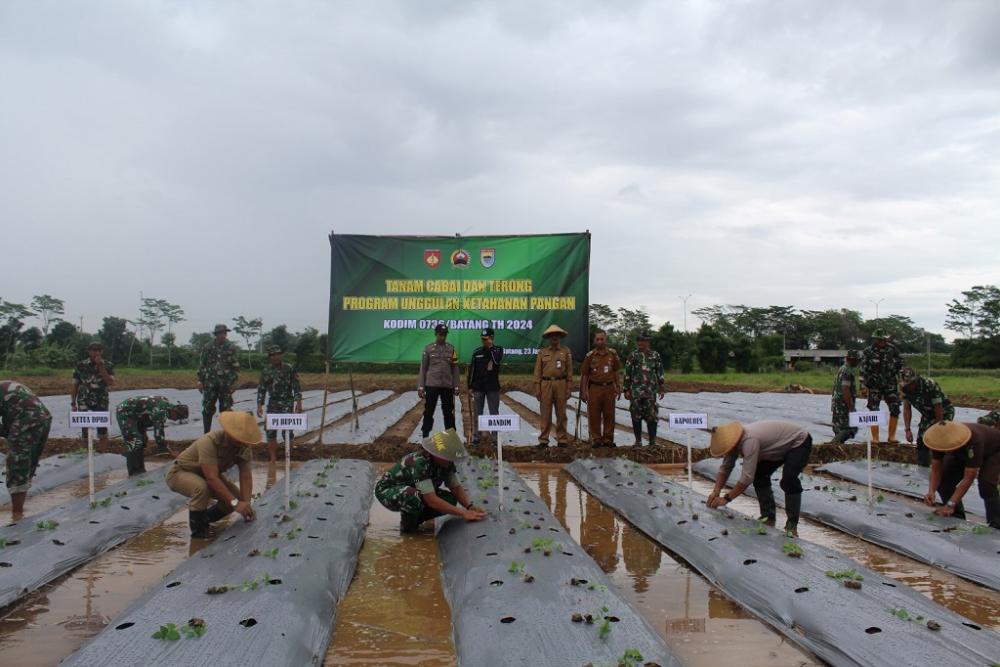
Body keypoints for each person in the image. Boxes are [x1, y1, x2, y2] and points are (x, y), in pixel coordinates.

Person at [706, 420, 812, 537]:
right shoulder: (733, 445)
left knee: (788, 480)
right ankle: (768, 517)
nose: (727, 453)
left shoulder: (749, 441)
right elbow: (725, 468)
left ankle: (792, 526)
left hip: (798, 442)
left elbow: (746, 478)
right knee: (760, 476)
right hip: (777, 448)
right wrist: (716, 491)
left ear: (733, 443)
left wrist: (726, 499)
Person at [166, 411, 258, 538]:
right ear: (229, 432)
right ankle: (198, 535)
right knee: (201, 488)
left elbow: (245, 475)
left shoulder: (244, 446)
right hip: (181, 472)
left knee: (234, 497)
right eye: (238, 437)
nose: (241, 441)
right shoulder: (209, 442)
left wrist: (246, 504)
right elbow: (212, 478)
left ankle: (203, 521)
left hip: (208, 474)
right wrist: (236, 504)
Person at [374, 429, 485, 533]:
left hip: (415, 491)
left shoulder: (445, 463)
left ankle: (417, 520)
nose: (450, 461)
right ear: (436, 454)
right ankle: (408, 530)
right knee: (413, 496)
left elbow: (455, 488)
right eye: (447, 458)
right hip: (387, 491)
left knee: (450, 499)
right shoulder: (420, 463)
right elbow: (431, 500)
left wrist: (469, 507)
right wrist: (463, 512)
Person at [923, 421, 999, 529]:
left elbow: (969, 477)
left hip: (993, 450)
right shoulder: (939, 440)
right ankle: (956, 515)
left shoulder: (974, 440)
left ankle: (996, 523)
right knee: (944, 479)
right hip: (960, 451)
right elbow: (936, 469)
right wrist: (931, 491)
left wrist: (950, 504)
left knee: (986, 483)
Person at [0, 381, 52, 516]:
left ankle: (17, 514)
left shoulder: (4, 390)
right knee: (27, 463)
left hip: (27, 419)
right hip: (43, 418)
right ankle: (19, 510)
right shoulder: (5, 387)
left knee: (18, 463)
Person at [115, 395, 189, 475]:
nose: (175, 419)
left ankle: (140, 469)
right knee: (135, 441)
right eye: (177, 417)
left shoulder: (166, 406)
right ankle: (134, 472)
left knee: (143, 440)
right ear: (174, 410)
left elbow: (146, 414)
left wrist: (144, 432)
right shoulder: (160, 411)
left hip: (138, 415)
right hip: (125, 412)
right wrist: (162, 447)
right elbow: (158, 432)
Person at [256, 345, 303, 463]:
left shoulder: (289, 368)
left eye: (278, 354)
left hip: (287, 402)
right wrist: (259, 405)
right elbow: (262, 389)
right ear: (270, 357)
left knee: (287, 430)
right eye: (273, 355)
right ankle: (273, 458)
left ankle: (289, 455)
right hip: (273, 403)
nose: (276, 357)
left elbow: (296, 387)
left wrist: (298, 402)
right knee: (270, 431)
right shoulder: (266, 371)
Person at [900, 366, 954, 467]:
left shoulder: (929, 385)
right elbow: (907, 408)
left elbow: (938, 407)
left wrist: (938, 427)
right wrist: (907, 429)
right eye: (906, 384)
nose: (908, 387)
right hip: (927, 414)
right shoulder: (905, 389)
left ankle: (945, 466)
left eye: (910, 384)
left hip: (944, 412)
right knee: (922, 440)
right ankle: (923, 466)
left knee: (939, 440)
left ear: (915, 380)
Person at [859, 328, 903, 443]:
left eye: (884, 339)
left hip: (890, 384)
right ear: (876, 339)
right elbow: (863, 369)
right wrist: (862, 386)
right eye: (880, 339)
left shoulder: (892, 349)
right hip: (874, 385)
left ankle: (891, 437)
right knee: (874, 409)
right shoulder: (868, 351)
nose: (883, 341)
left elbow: (900, 365)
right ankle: (875, 438)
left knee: (895, 408)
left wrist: (902, 381)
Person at [580, 329, 622, 448]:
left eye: (601, 339)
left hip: (609, 387)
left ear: (605, 340)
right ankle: (596, 439)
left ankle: (608, 439)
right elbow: (585, 374)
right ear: (594, 341)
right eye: (597, 339)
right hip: (594, 388)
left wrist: (618, 386)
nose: (599, 341)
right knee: (594, 414)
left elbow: (615, 371)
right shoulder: (590, 356)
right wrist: (583, 391)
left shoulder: (612, 354)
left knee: (609, 414)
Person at [197, 323, 241, 434]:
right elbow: (202, 365)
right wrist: (200, 381)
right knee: (207, 408)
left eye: (225, 333)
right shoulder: (208, 347)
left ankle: (227, 434)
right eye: (221, 333)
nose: (223, 335)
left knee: (226, 409)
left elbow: (235, 366)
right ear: (216, 334)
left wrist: (234, 382)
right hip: (210, 383)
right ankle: (206, 434)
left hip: (226, 384)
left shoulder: (231, 347)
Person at [533, 324, 573, 448]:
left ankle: (562, 439)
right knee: (545, 413)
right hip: (546, 384)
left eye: (557, 335)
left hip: (561, 383)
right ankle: (544, 440)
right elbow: (537, 372)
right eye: (552, 335)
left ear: (559, 337)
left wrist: (569, 388)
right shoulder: (542, 352)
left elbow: (570, 372)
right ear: (549, 338)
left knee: (561, 413)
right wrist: (537, 389)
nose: (554, 337)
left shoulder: (565, 352)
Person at [418, 324, 460, 438]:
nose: (443, 337)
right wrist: (421, 386)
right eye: (441, 334)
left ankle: (452, 437)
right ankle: (425, 436)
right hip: (432, 385)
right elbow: (423, 368)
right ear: (436, 334)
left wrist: (456, 385)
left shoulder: (451, 349)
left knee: (448, 412)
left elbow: (455, 368)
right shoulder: (428, 349)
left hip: (447, 385)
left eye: (445, 334)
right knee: (428, 411)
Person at [623, 332, 665, 446]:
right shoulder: (633, 356)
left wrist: (661, 386)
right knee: (635, 416)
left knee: (652, 416)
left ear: (648, 342)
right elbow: (627, 373)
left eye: (643, 340)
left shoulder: (655, 355)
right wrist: (626, 389)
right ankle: (638, 441)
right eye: (638, 340)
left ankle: (652, 442)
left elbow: (659, 371)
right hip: (636, 392)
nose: (640, 343)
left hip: (650, 392)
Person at [71, 341, 115, 441]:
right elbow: (74, 385)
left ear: (102, 352)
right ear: (89, 351)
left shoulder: (108, 365)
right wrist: (73, 403)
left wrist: (101, 366)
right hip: (83, 398)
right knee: (85, 426)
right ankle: (86, 447)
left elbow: (110, 382)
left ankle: (103, 449)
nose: (97, 353)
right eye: (94, 350)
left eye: (99, 350)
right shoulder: (80, 365)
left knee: (102, 427)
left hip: (101, 399)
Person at [467, 328, 503, 446]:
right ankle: (476, 437)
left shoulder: (498, 350)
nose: (484, 341)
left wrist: (491, 347)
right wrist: (469, 386)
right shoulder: (477, 352)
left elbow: (497, 361)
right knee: (478, 412)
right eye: (483, 339)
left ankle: (495, 438)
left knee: (494, 412)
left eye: (486, 339)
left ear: (492, 338)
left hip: (492, 387)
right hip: (478, 387)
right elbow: (472, 370)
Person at [830, 350, 859, 444]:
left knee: (839, 428)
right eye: (857, 360)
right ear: (852, 359)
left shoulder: (842, 369)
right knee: (850, 428)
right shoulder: (847, 371)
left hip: (837, 403)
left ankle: (836, 447)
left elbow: (834, 387)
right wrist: (850, 407)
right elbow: (845, 389)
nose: (858, 362)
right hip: (843, 405)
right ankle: (833, 445)